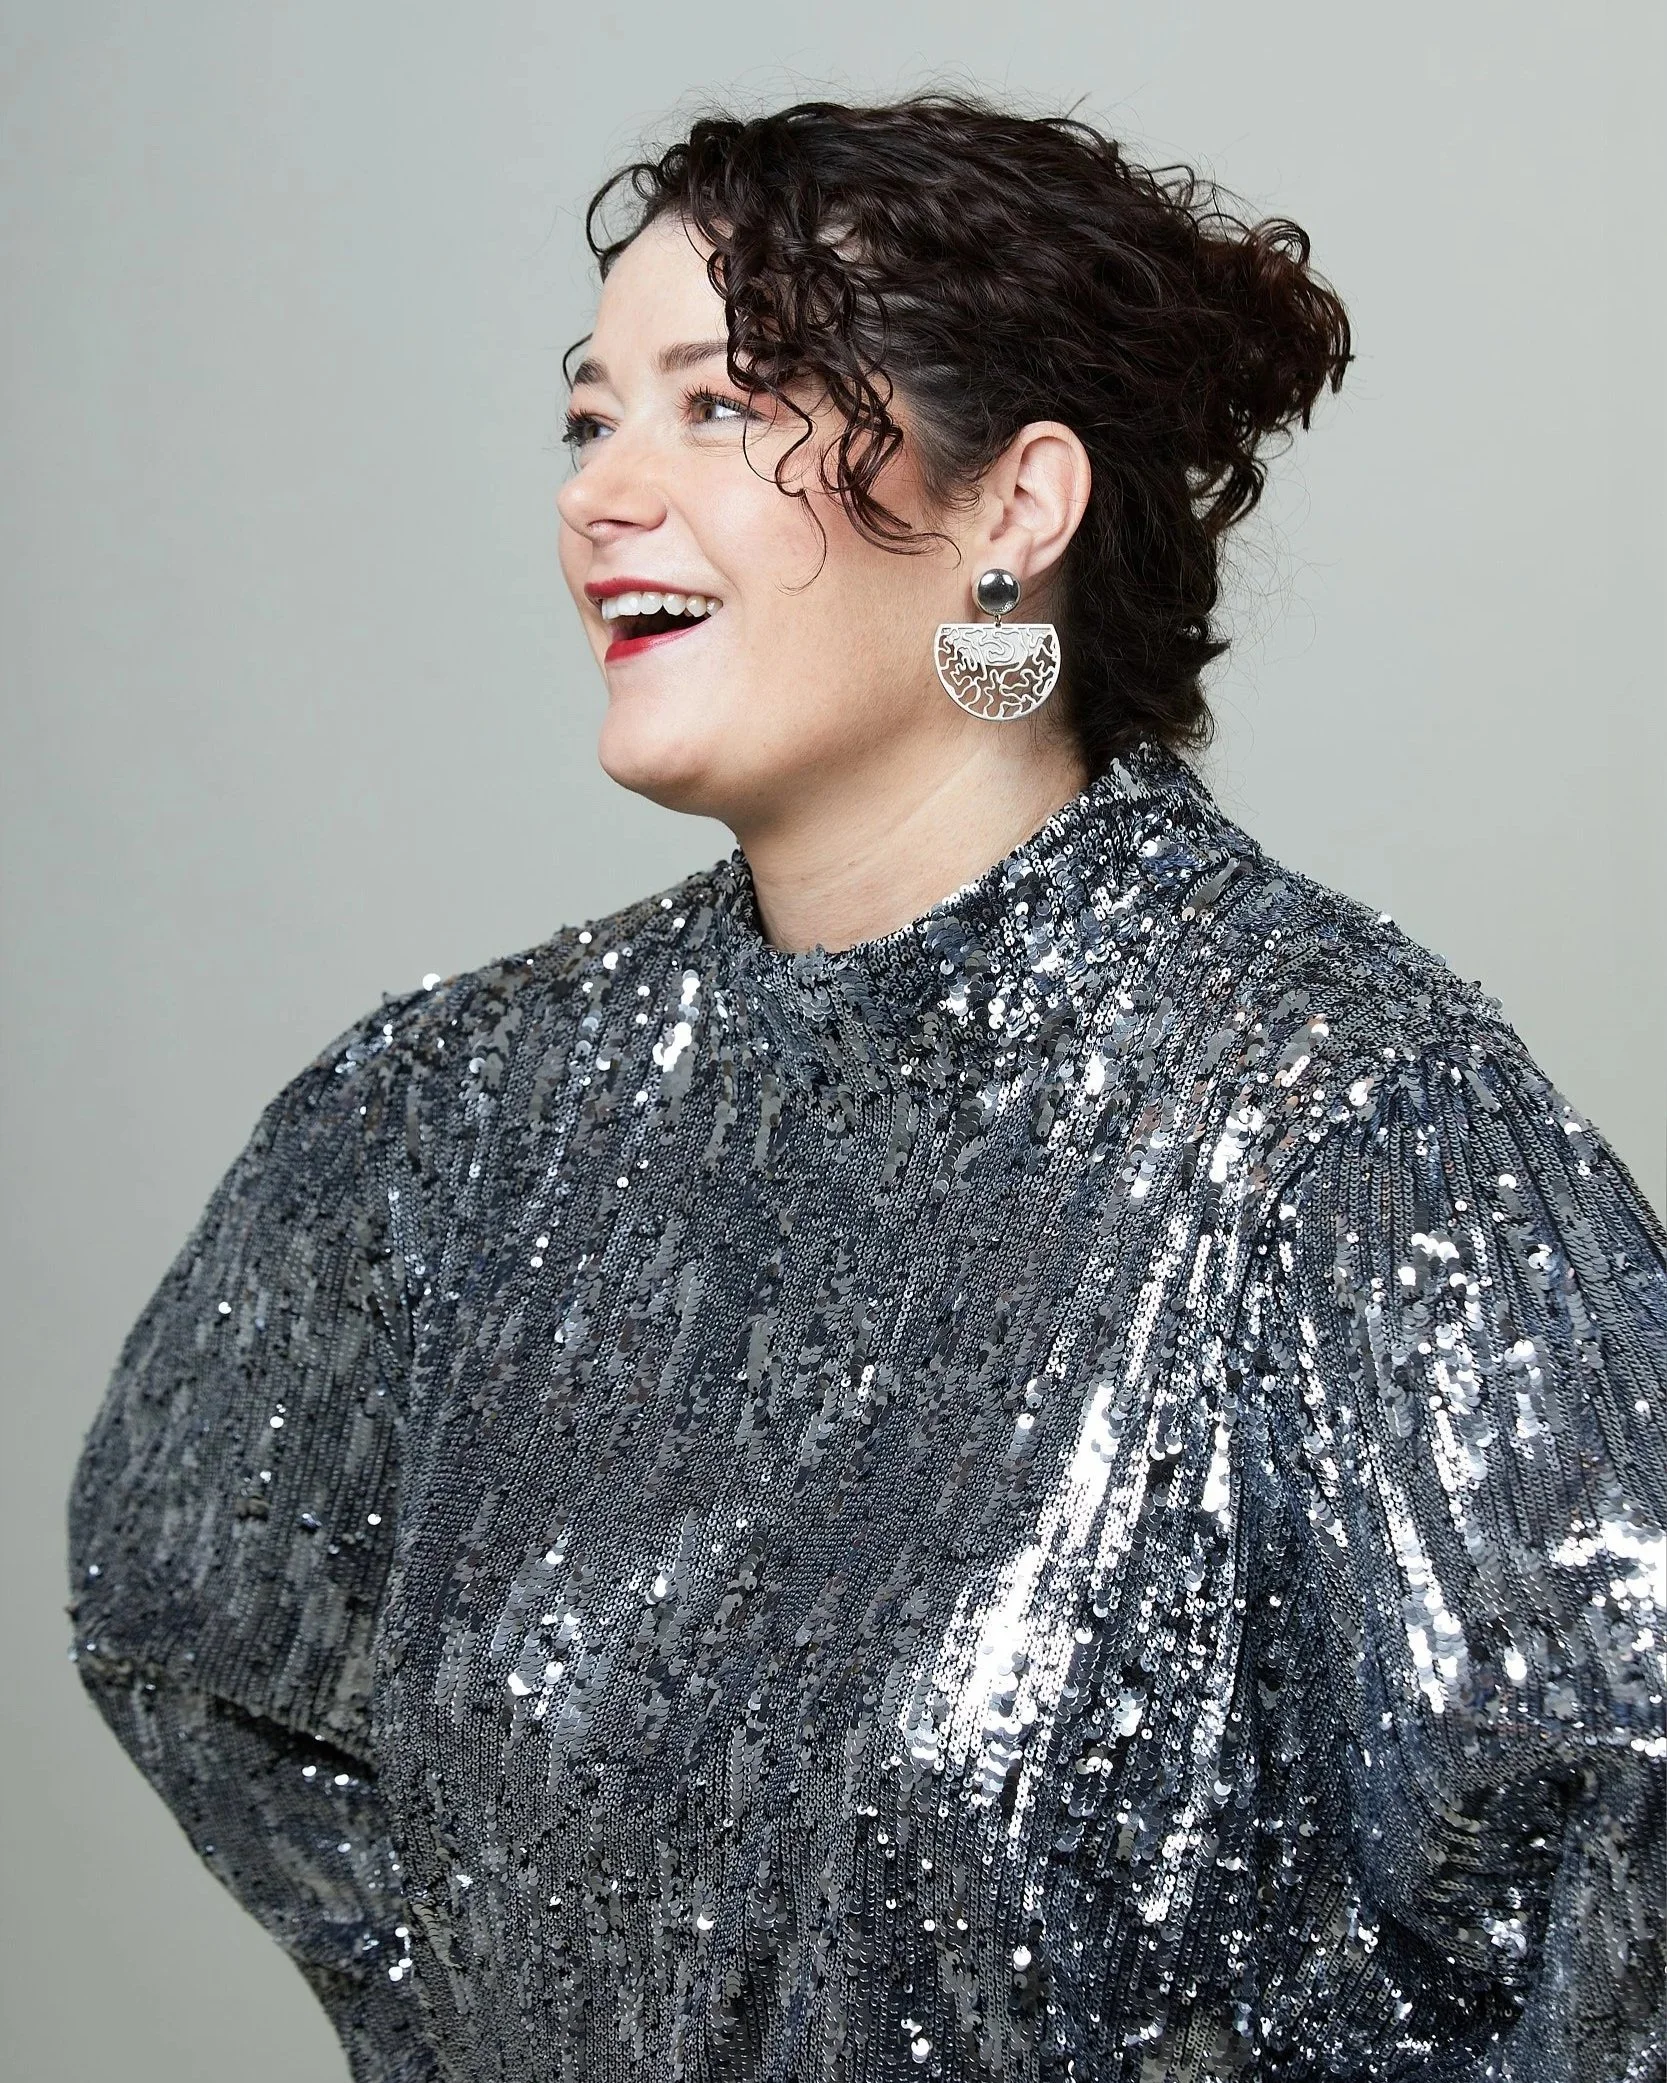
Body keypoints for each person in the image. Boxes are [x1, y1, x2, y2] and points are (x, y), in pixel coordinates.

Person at [66, 91, 1664, 2082]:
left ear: (1014, 510)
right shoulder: (456, 1121)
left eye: (725, 408)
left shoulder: (1344, 1140)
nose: (600, 493)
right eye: (587, 418)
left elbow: (1610, 1876)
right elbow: (198, 1627)